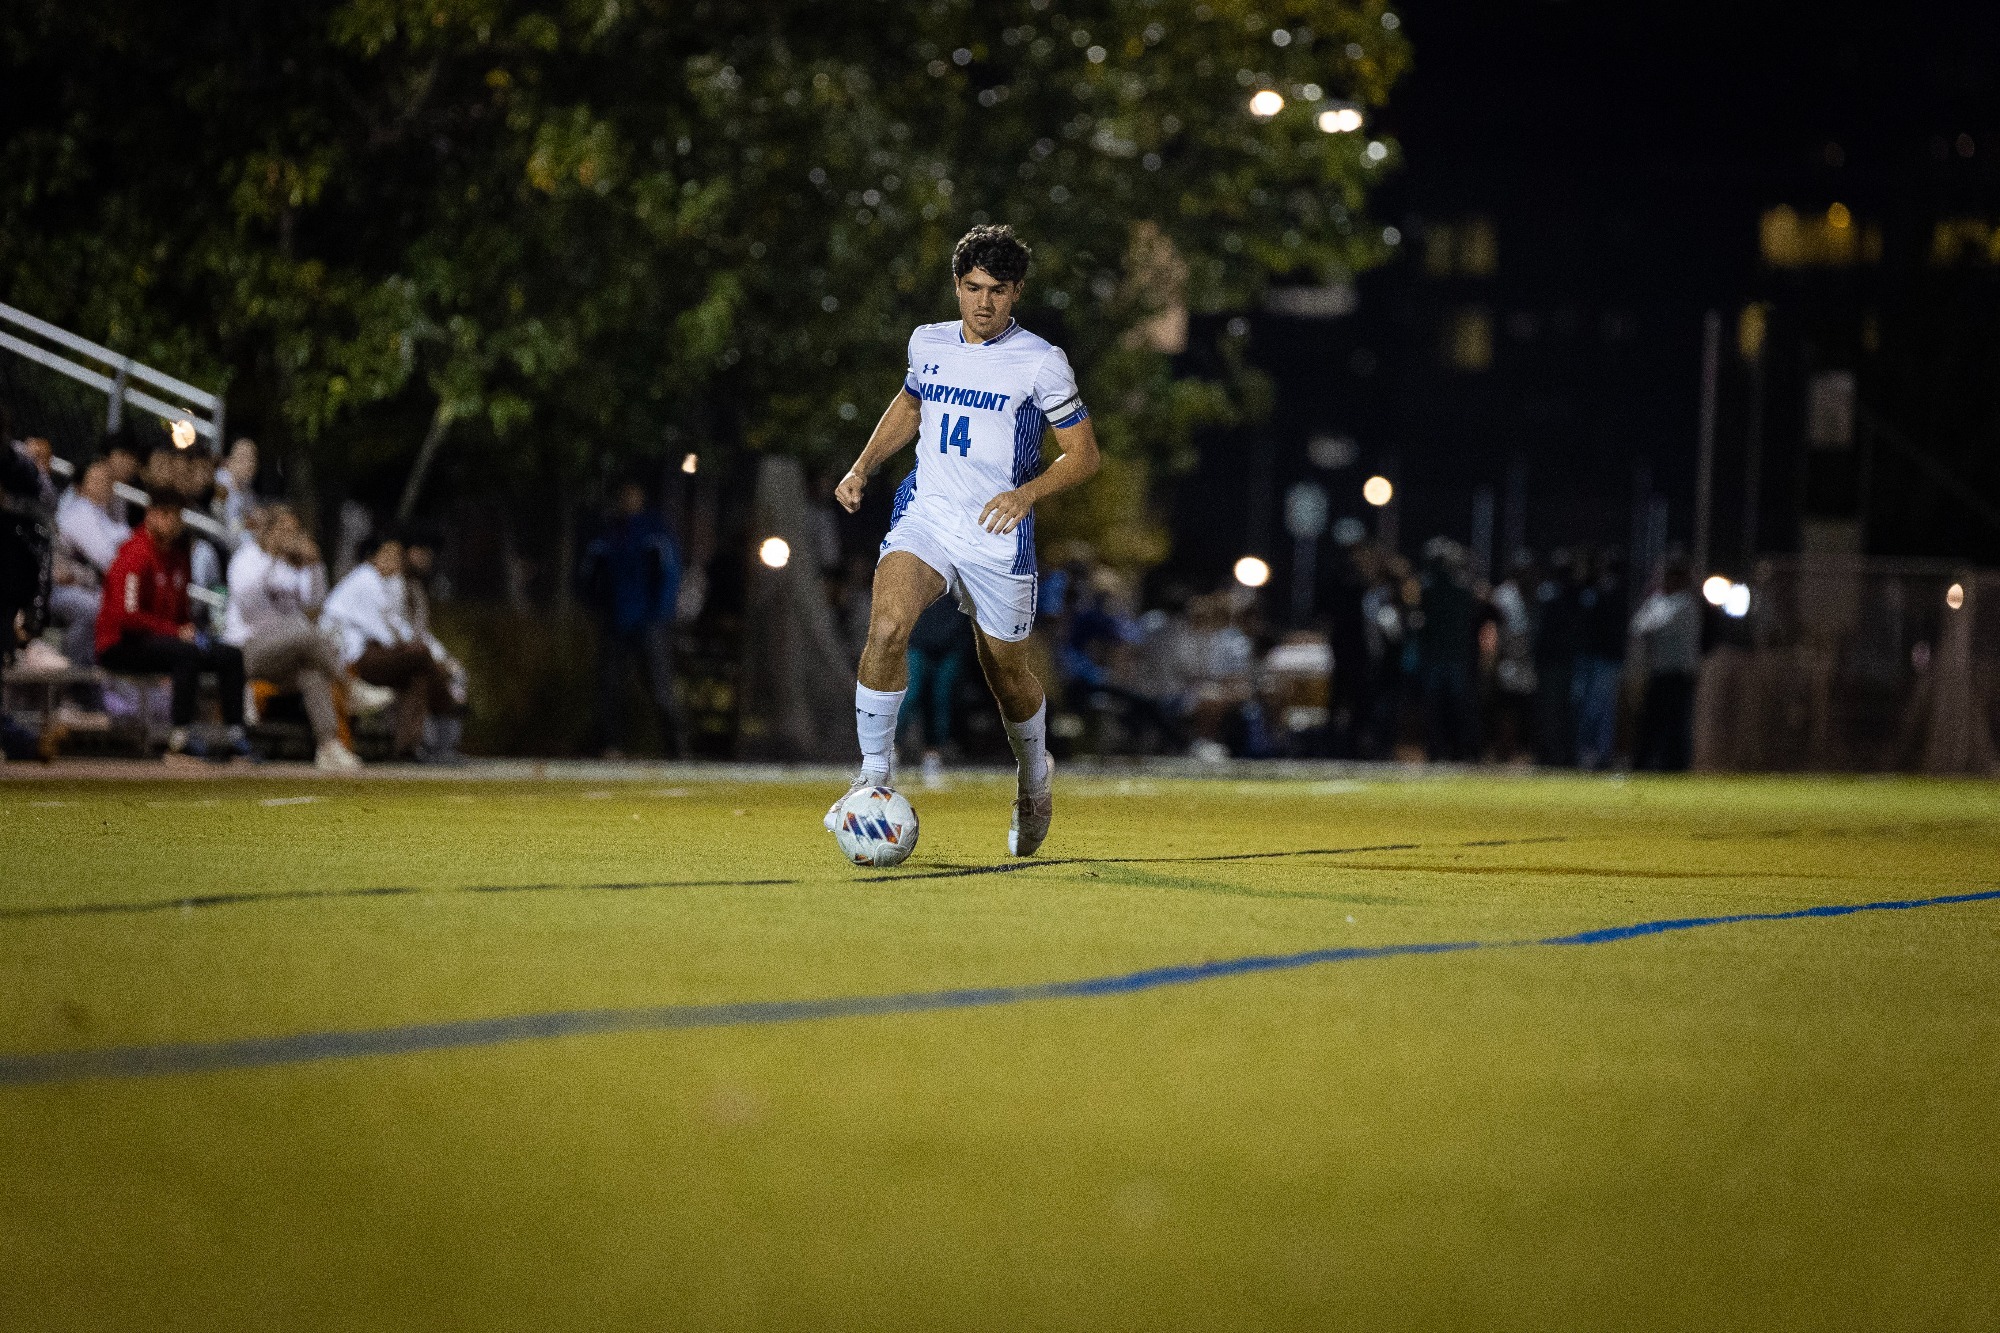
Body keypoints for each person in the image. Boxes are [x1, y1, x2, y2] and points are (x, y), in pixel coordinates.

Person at [829, 223, 1100, 855]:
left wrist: (1025, 494)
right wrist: (862, 466)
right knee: (889, 623)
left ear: (1016, 294)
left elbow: (1084, 458)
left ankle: (1035, 777)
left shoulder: (1040, 361)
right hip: (929, 513)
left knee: (1004, 670)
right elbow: (911, 405)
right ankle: (873, 780)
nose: (983, 303)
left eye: (997, 291)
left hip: (997, 533)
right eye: (972, 288)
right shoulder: (928, 343)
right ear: (956, 286)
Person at [95, 489, 251, 759]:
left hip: (164, 641)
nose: (172, 521)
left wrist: (185, 632)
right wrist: (176, 632)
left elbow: (181, 615)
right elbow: (127, 617)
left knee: (230, 656)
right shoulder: (134, 554)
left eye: (176, 515)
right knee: (186, 655)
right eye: (165, 514)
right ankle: (179, 738)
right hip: (120, 643)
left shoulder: (178, 558)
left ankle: (234, 735)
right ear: (150, 515)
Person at [223, 504, 360, 770]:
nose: (290, 537)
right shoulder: (247, 558)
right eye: (284, 530)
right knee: (305, 633)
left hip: (283, 651)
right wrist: (273, 559)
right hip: (245, 649)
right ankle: (351, 688)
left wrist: (315, 564)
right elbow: (250, 608)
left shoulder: (290, 568)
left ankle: (328, 747)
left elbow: (316, 602)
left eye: (294, 532)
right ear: (269, 531)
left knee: (311, 672)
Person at [323, 534, 460, 760]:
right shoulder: (365, 579)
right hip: (352, 657)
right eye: (387, 555)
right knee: (421, 657)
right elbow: (383, 632)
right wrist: (426, 656)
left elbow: (399, 627)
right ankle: (448, 704)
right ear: (372, 557)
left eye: (397, 557)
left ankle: (407, 749)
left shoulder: (387, 583)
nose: (393, 562)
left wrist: (419, 651)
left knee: (416, 674)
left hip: (371, 652)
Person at [579, 481, 687, 758]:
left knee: (660, 688)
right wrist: (596, 605)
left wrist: (659, 613)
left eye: (632, 497)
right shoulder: (609, 534)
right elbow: (590, 573)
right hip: (616, 620)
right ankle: (609, 745)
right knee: (609, 687)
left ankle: (676, 748)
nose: (627, 502)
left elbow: (670, 574)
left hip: (647, 621)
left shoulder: (653, 533)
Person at [51, 459, 129, 665]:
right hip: (60, 588)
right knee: (96, 609)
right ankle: (75, 674)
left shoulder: (106, 512)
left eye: (107, 479)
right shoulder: (77, 512)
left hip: (89, 586)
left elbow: (129, 544)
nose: (104, 484)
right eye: (96, 479)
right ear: (80, 485)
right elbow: (108, 559)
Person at [1630, 557, 1701, 772]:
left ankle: (1676, 768)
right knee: (1651, 723)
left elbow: (1653, 626)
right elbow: (1637, 626)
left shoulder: (1685, 603)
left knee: (1677, 724)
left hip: (1679, 674)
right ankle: (1644, 766)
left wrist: (1650, 615)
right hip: (1660, 673)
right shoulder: (1659, 601)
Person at [1571, 548, 1629, 770]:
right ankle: (1591, 754)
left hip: (1603, 658)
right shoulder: (1592, 590)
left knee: (1599, 708)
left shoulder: (1608, 590)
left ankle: (1597, 755)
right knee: (1591, 707)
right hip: (1594, 657)